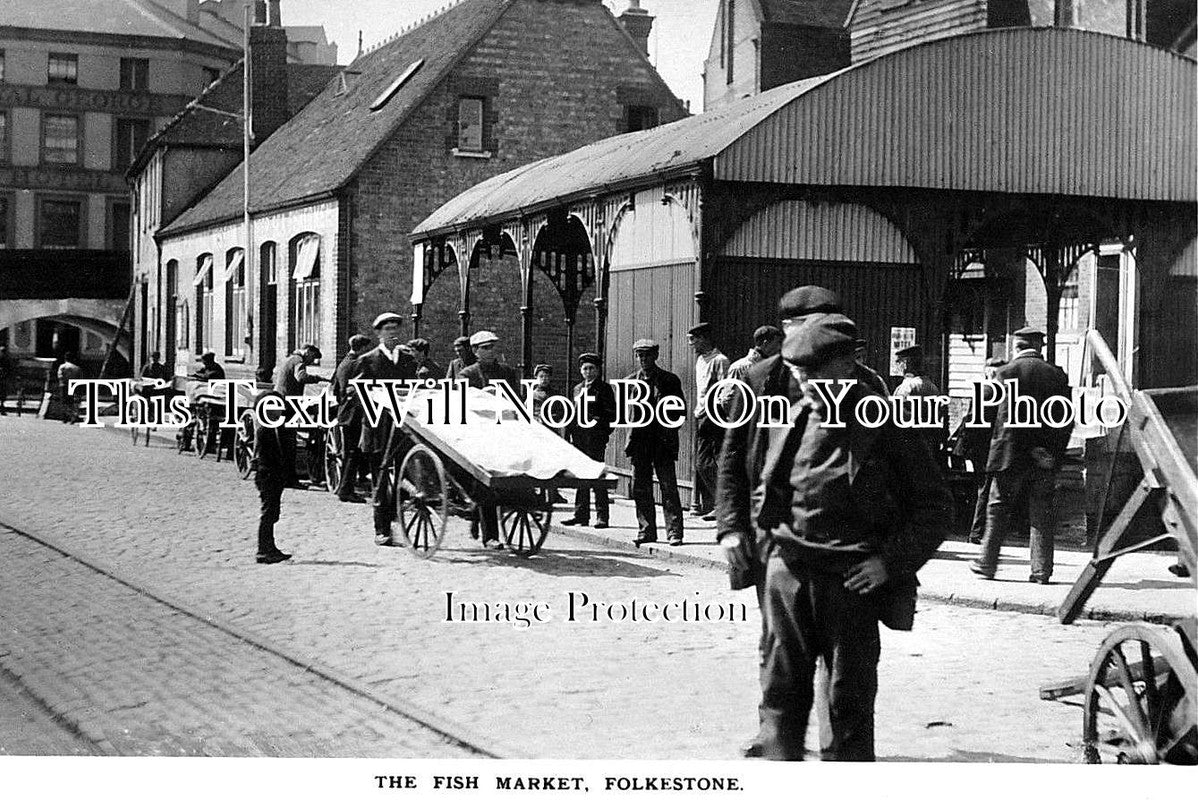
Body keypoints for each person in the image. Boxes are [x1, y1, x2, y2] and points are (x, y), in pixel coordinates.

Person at [748, 313, 951, 760]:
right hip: (789, 580)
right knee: (779, 703)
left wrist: (888, 563)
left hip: (850, 587)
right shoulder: (797, 415)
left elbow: (935, 508)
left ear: (848, 366)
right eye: (799, 374)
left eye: (814, 374)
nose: (803, 384)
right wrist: (771, 559)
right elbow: (768, 487)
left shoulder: (885, 425)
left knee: (847, 709)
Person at [971, 327, 1074, 584]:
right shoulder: (1057, 375)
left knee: (997, 509)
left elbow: (989, 415)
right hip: (1044, 459)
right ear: (1039, 347)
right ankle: (1041, 571)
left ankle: (987, 564)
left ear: (1015, 347)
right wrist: (1051, 452)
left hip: (1010, 456)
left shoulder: (1005, 373)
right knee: (1041, 512)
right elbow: (1066, 418)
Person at [353, 313, 419, 547]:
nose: (392, 333)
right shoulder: (368, 360)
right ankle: (381, 530)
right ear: (378, 333)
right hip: (377, 427)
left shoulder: (408, 360)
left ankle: (395, 515)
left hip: (402, 429)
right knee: (380, 480)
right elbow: (359, 396)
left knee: (403, 475)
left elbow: (414, 390)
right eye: (387, 329)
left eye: (394, 328)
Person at [625, 339, 685, 546]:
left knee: (668, 487)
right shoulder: (631, 382)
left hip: (661, 441)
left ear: (655, 356)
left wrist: (667, 429)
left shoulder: (669, 381)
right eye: (640, 356)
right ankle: (646, 530)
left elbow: (680, 411)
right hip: (640, 442)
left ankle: (674, 532)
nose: (643, 360)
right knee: (640, 488)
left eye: (647, 356)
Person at [561, 352, 617, 528]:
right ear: (581, 370)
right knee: (580, 476)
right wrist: (569, 434)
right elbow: (572, 413)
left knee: (597, 476)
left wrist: (602, 433)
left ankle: (602, 516)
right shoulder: (577, 389)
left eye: (592, 368)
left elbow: (611, 414)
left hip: (595, 439)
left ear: (598, 370)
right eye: (585, 368)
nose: (588, 372)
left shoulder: (604, 389)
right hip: (579, 439)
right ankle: (581, 514)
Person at [687, 322, 730, 520]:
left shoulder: (720, 360)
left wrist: (716, 415)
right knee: (702, 463)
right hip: (700, 414)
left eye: (694, 340)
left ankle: (725, 506)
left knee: (711, 461)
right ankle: (720, 504)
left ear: (704, 338)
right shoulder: (700, 361)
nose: (692, 345)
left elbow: (724, 390)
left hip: (713, 416)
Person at [251, 388, 294, 564]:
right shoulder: (265, 430)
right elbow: (271, 457)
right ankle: (263, 550)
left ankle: (270, 547)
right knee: (268, 513)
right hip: (268, 475)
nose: (280, 411)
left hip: (273, 476)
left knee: (273, 513)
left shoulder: (273, 427)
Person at [333, 334, 374, 503]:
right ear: (362, 348)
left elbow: (335, 390)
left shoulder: (342, 364)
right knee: (353, 453)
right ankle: (346, 490)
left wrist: (343, 402)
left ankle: (343, 486)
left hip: (344, 412)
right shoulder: (359, 364)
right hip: (355, 413)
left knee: (349, 452)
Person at [892, 343, 945, 462]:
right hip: (928, 445)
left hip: (908, 447)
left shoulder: (906, 388)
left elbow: (896, 419)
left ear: (905, 364)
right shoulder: (932, 387)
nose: (897, 366)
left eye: (898, 362)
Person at [57, 353, 82, 424]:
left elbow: (60, 376)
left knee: (64, 401)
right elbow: (80, 378)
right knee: (72, 402)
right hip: (73, 386)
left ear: (65, 358)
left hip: (64, 385)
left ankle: (65, 417)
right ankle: (73, 417)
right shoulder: (77, 368)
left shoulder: (62, 367)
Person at [0, 344, 15, 415]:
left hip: (4, 379)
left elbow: (10, 370)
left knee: (3, 391)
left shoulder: (7, 360)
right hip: (3, 378)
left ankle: (2, 406)